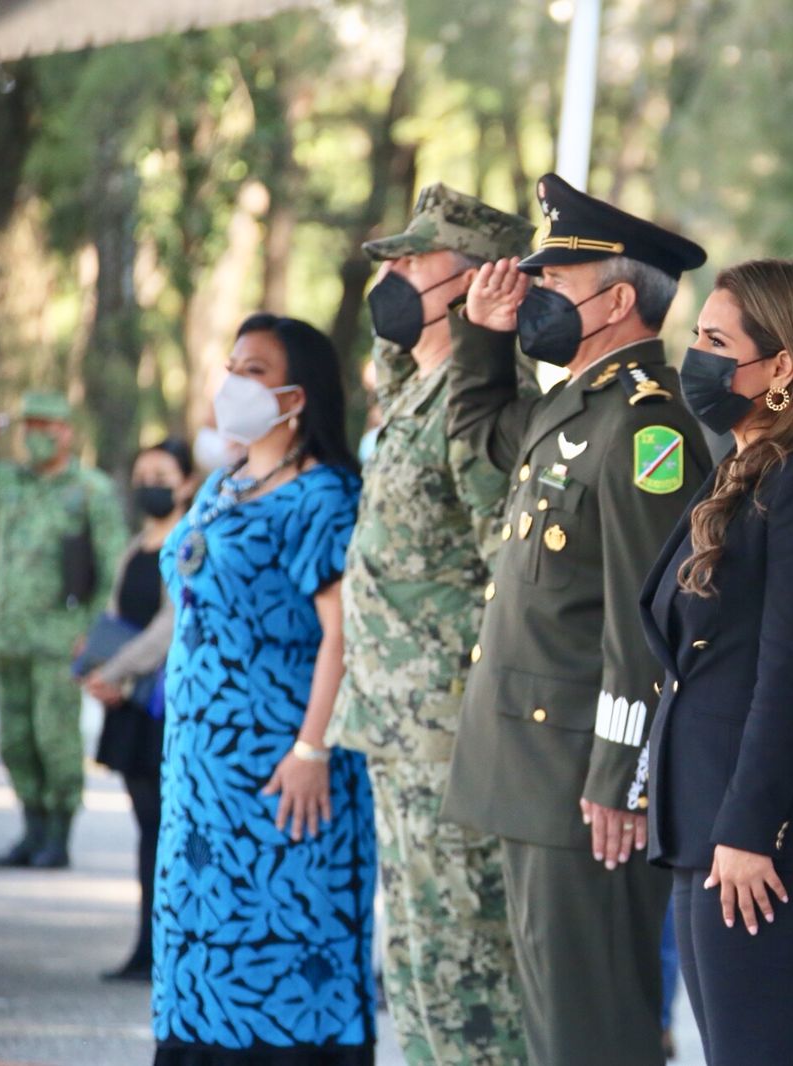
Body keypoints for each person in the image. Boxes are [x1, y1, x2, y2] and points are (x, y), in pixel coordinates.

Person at [443, 172, 712, 1066]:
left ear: (618, 300)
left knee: (593, 1029)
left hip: (581, 784)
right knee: (556, 1024)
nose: (534, 297)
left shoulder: (646, 431)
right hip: (532, 765)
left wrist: (619, 776)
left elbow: (646, 624)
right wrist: (479, 340)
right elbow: (482, 436)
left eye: (552, 283)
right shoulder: (574, 404)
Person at [639, 259, 793, 1066]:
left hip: (754, 839)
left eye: (715, 340)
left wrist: (746, 828)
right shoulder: (738, 472)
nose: (696, 356)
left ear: (780, 366)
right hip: (701, 823)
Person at [327, 183, 534, 1066]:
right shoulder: (421, 386)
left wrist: (489, 333)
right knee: (412, 962)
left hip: (451, 729)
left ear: (480, 278)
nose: (397, 272)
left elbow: (508, 560)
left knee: (468, 974)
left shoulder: (485, 400)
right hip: (398, 723)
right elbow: (393, 362)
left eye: (416, 259)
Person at [152, 314, 374, 1064]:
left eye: (253, 369)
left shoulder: (326, 496)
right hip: (200, 777)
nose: (231, 381)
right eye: (231, 364)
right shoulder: (223, 482)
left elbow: (341, 634)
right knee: (197, 940)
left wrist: (312, 747)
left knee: (287, 938)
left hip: (283, 770)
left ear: (296, 396)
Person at [0, 391, 127, 869]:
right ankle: (31, 830)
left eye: (46, 425)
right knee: (15, 740)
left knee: (55, 739)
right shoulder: (8, 482)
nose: (36, 435)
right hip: (8, 634)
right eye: (28, 425)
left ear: (67, 431)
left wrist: (95, 635)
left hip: (61, 638)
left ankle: (58, 835)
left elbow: (112, 567)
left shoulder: (89, 490)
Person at [80, 437, 196, 981]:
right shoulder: (134, 548)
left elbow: (167, 629)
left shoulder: (190, 545)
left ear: (187, 483)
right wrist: (98, 673)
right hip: (128, 703)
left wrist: (116, 671)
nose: (151, 483)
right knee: (147, 828)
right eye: (144, 473)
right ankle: (146, 945)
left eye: (163, 474)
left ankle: (174, 945)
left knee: (170, 827)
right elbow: (113, 613)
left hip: (163, 707)